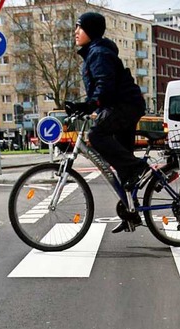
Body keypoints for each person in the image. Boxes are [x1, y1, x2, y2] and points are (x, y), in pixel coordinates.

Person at [68, 11, 148, 233]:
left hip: (124, 106)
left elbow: (105, 85)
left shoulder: (99, 54)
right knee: (122, 163)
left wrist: (90, 105)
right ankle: (131, 213)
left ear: (90, 31)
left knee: (96, 136)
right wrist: (85, 105)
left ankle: (139, 168)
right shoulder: (96, 52)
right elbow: (100, 89)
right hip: (123, 106)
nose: (76, 32)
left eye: (80, 27)